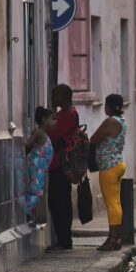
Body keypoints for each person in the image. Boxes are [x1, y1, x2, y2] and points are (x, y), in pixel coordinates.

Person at [90, 94, 128, 251]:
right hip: (117, 163)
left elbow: (94, 139)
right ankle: (116, 237)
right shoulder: (122, 120)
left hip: (109, 167)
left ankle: (113, 238)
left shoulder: (110, 122)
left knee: (111, 204)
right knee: (116, 203)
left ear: (109, 107)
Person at [47, 84, 80, 252]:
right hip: (57, 163)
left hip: (61, 164)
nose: (53, 97)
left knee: (59, 202)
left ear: (63, 96)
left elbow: (55, 135)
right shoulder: (63, 114)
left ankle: (64, 240)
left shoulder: (69, 115)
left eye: (55, 94)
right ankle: (63, 238)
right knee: (57, 201)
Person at [25, 107, 56, 226]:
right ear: (43, 119)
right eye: (52, 119)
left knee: (38, 192)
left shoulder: (44, 135)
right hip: (36, 169)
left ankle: (30, 214)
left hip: (42, 170)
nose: (55, 122)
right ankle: (26, 212)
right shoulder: (38, 133)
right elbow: (28, 145)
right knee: (36, 192)